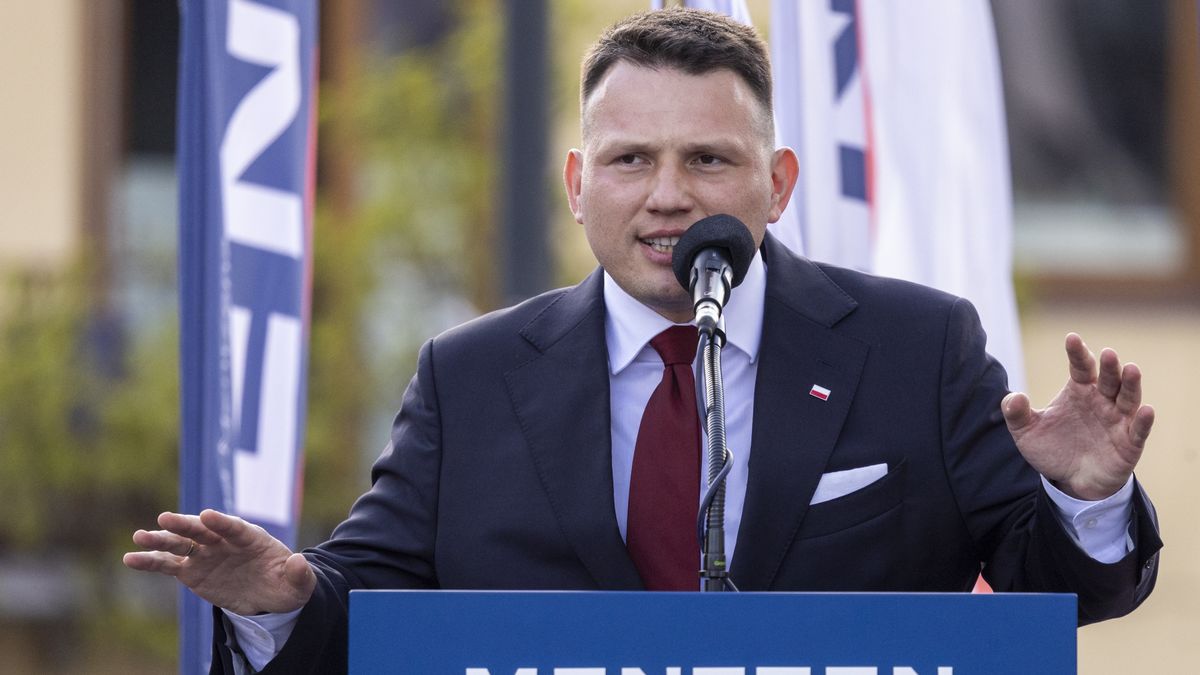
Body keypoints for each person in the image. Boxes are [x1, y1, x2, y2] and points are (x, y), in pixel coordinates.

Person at [124, 8, 1161, 673]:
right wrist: (286, 599)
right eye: (630, 161)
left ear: (779, 184)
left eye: (708, 159)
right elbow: (367, 606)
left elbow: (1055, 597)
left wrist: (1084, 498)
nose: (669, 197)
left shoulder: (915, 346)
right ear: (578, 186)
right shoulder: (471, 378)